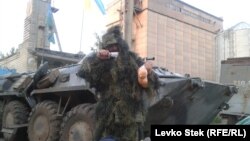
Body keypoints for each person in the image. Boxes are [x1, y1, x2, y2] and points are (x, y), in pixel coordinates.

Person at [79, 25, 158, 141]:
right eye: (110, 46)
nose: (114, 48)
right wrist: (98, 58)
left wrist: (147, 72)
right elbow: (84, 71)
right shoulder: (99, 63)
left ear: (121, 45)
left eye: (116, 45)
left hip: (130, 118)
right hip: (107, 119)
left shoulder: (132, 60)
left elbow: (153, 82)